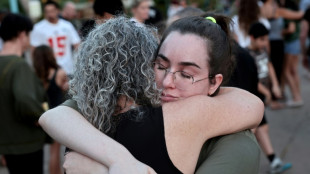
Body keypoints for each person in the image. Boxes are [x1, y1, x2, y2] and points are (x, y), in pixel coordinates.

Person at [39, 15, 264, 174]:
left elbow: (253, 105)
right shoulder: (133, 106)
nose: (167, 82)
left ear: (215, 83)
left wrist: (101, 169)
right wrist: (119, 159)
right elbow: (55, 116)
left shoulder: (234, 141)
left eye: (186, 74)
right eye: (161, 65)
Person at [0, 13, 47, 174]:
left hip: (8, 144)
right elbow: (25, 99)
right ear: (22, 34)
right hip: (27, 143)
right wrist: (41, 118)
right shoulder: (19, 66)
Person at [248, 22, 292, 174]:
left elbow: (269, 65)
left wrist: (275, 84)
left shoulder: (263, 50)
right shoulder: (247, 55)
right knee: (257, 129)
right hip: (255, 96)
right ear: (252, 38)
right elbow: (252, 79)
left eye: (266, 39)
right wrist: (266, 93)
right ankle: (270, 161)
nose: (265, 43)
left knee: (260, 129)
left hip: (263, 95)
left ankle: (273, 161)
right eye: (262, 40)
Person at [32, 45, 68, 174]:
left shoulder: (34, 74)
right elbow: (66, 88)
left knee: (42, 151)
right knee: (55, 152)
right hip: (56, 116)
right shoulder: (59, 73)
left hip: (40, 115)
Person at [30, 0, 80, 75]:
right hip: (49, 71)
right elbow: (34, 50)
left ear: (58, 11)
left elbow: (77, 45)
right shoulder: (38, 28)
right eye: (47, 11)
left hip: (68, 69)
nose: (50, 14)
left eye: (52, 11)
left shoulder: (67, 25)